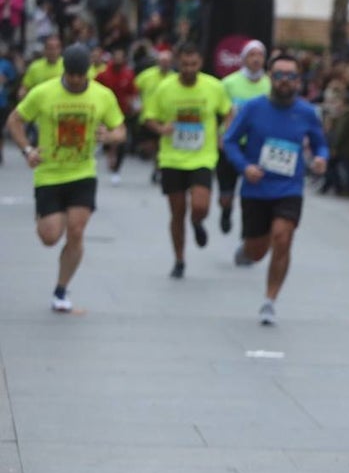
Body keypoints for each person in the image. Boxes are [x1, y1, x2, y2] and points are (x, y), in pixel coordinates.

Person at [6, 44, 125, 311]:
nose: (74, 79)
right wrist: (27, 150)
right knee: (49, 236)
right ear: (64, 71)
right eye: (70, 74)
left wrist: (110, 136)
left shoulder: (102, 96)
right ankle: (46, 220)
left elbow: (121, 129)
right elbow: (14, 120)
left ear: (88, 73)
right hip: (49, 173)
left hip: (82, 172)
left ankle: (61, 290)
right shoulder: (44, 93)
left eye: (80, 75)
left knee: (76, 230)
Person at [223, 53, 328, 324]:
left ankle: (269, 300)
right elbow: (230, 141)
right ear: (270, 77)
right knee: (257, 251)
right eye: (279, 75)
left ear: (298, 80)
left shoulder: (306, 112)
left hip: (289, 188)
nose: (285, 81)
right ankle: (247, 249)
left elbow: (320, 143)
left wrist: (320, 159)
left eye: (291, 76)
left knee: (283, 237)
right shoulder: (252, 108)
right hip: (256, 188)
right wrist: (245, 167)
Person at [143, 43, 233, 279]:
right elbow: (149, 117)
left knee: (201, 205)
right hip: (172, 157)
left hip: (202, 156)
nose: (189, 69)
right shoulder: (164, 88)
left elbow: (228, 111)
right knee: (177, 211)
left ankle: (198, 222)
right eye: (184, 65)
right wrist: (162, 128)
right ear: (177, 63)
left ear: (200, 64)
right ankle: (179, 259)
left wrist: (226, 132)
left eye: (193, 64)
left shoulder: (213, 86)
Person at [219, 40, 271, 236]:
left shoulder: (269, 84)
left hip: (256, 147)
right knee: (226, 194)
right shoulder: (229, 83)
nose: (256, 59)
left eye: (260, 55)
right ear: (243, 58)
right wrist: (221, 137)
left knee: (251, 194)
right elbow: (222, 113)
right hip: (231, 144)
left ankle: (248, 233)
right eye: (252, 55)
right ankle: (226, 210)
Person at [94, 48, 137, 185]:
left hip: (123, 113)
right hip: (106, 113)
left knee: (122, 141)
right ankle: (109, 154)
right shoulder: (103, 75)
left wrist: (135, 105)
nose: (118, 60)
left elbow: (133, 92)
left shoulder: (128, 74)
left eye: (121, 57)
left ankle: (116, 168)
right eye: (116, 57)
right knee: (109, 139)